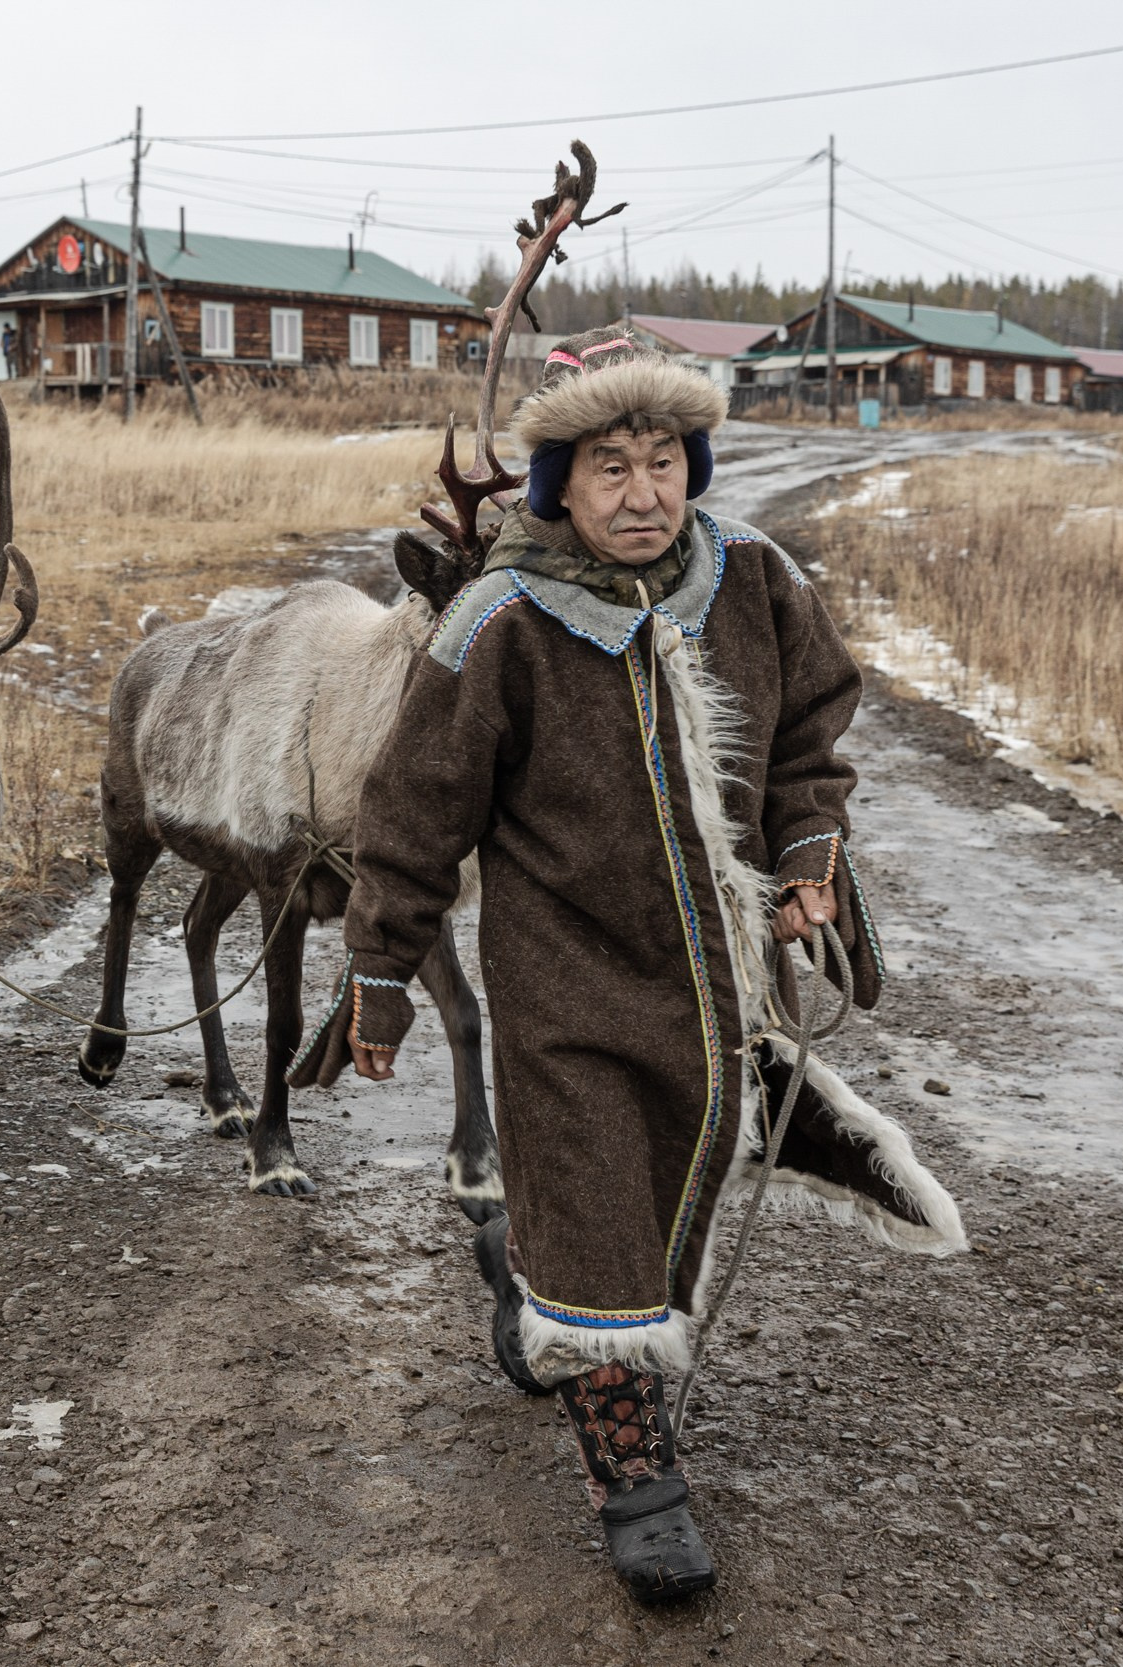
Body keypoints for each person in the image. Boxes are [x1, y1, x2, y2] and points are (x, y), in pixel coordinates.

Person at [292, 325, 966, 1603]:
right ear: (560, 484)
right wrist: (378, 971)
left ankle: (526, 1267)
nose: (643, 493)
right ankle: (637, 1480)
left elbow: (812, 730)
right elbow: (413, 814)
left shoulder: (752, 577)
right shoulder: (496, 624)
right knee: (597, 1206)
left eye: (663, 462)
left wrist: (806, 848)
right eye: (610, 467)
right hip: (565, 986)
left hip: (718, 986)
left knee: (665, 1186)